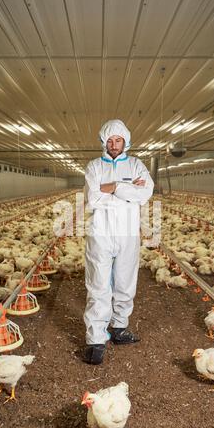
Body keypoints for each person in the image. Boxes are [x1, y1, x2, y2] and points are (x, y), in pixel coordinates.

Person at [83, 119, 154, 364]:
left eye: (119, 140)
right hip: (100, 233)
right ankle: (95, 339)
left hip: (127, 234)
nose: (114, 144)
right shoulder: (94, 167)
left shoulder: (136, 165)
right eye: (110, 140)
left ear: (126, 141)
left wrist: (112, 188)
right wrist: (126, 189)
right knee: (98, 285)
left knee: (125, 283)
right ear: (104, 141)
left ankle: (119, 328)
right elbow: (93, 199)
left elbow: (144, 194)